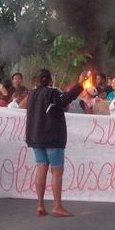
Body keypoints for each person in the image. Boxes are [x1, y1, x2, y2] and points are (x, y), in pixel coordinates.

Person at [25, 68, 86, 217]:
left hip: (36, 137)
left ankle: (40, 204)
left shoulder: (31, 95)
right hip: (52, 137)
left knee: (41, 168)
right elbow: (66, 99)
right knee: (56, 172)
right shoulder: (51, 93)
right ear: (49, 79)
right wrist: (79, 84)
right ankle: (57, 205)